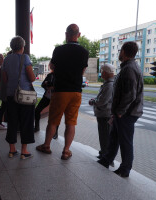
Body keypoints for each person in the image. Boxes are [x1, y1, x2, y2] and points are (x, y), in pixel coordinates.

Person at [36, 24, 89, 160]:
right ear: (79, 34)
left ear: (66, 34)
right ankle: (66, 151)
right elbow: (83, 71)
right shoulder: (84, 51)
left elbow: (52, 66)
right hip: (76, 91)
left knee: (53, 121)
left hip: (60, 90)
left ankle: (47, 146)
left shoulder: (59, 50)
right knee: (71, 122)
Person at [97, 41, 143, 178]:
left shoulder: (129, 69)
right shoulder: (129, 67)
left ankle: (125, 169)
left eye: (120, 51)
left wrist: (120, 112)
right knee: (114, 138)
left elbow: (130, 94)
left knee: (125, 141)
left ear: (123, 52)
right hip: (123, 113)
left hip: (127, 113)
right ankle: (106, 160)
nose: (119, 53)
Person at [2, 36, 36, 159]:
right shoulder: (25, 58)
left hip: (11, 95)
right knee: (26, 122)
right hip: (25, 96)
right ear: (22, 47)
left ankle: (12, 150)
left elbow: (4, 79)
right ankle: (24, 151)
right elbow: (32, 77)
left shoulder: (6, 59)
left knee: (12, 122)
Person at [89, 63, 114, 160]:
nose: (101, 74)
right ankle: (103, 153)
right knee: (104, 136)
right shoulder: (108, 83)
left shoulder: (109, 85)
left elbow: (103, 101)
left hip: (105, 114)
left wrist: (93, 101)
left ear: (105, 72)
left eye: (101, 72)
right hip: (103, 114)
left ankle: (105, 157)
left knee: (105, 136)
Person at [34, 62, 59, 139]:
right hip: (47, 96)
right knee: (37, 110)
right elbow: (43, 84)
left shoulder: (59, 75)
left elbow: (56, 85)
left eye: (51, 64)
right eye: (50, 64)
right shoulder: (49, 75)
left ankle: (55, 133)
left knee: (55, 114)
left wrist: (49, 84)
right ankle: (37, 127)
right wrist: (48, 85)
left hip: (56, 97)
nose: (50, 66)